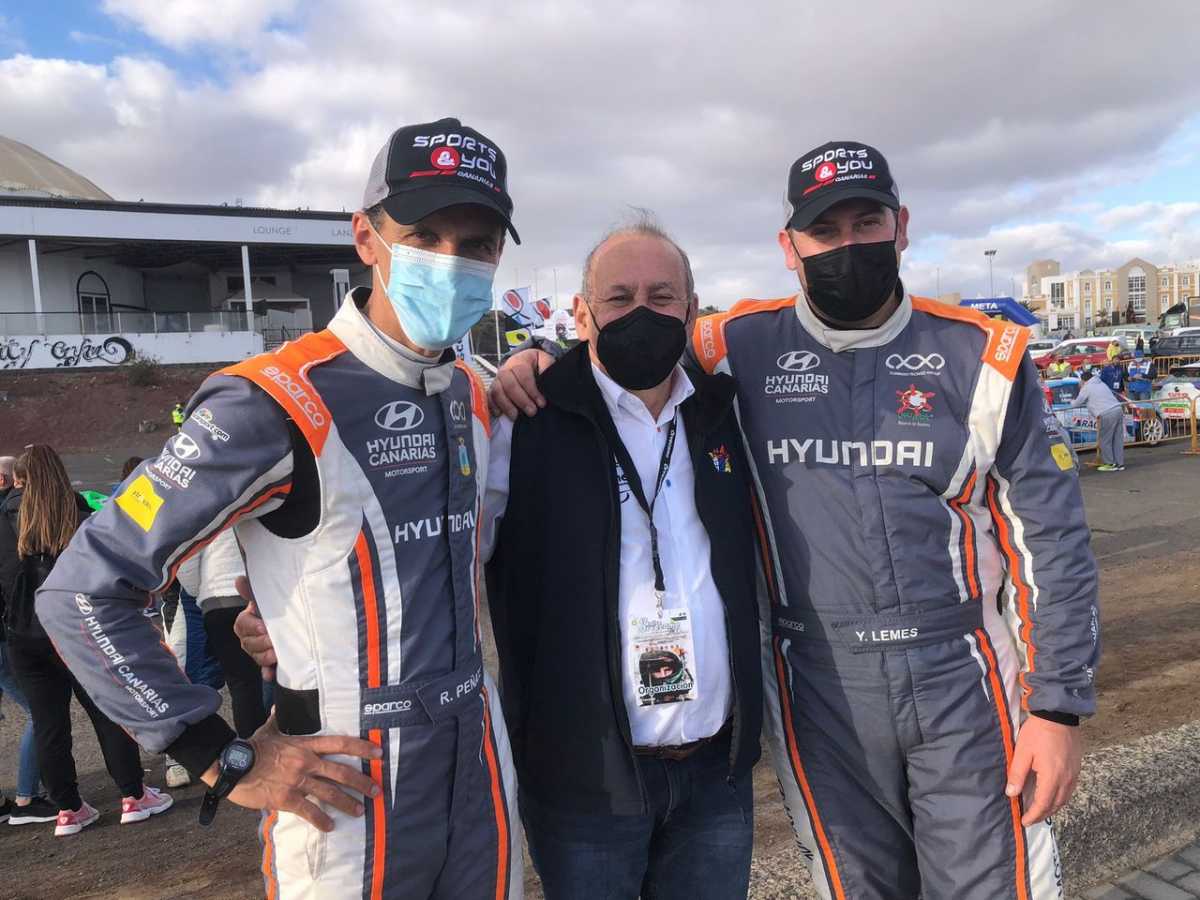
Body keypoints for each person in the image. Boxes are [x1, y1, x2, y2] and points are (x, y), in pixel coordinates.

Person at [492, 141, 1100, 899]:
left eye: (867, 222)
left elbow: (1052, 540)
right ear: (790, 247)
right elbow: (625, 349)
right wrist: (535, 359)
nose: (847, 245)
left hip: (962, 677)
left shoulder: (985, 354)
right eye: (824, 230)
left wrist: (1057, 707)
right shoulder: (735, 345)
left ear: (902, 226)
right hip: (815, 682)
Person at [37, 118, 522, 899]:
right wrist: (217, 754)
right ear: (366, 238)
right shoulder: (269, 398)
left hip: (478, 761)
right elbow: (81, 589)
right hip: (344, 780)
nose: (451, 260)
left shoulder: (473, 391)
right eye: (424, 236)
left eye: (476, 244)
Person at [489, 217, 762, 899]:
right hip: (585, 784)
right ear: (582, 315)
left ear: (691, 310)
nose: (642, 312)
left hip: (714, 773)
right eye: (619, 298)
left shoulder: (721, 412)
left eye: (661, 296)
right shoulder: (524, 419)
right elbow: (439, 550)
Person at [1, 447, 173, 835]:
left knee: (48, 723)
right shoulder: (76, 515)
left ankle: (68, 809)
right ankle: (133, 796)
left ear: (20, 480)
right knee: (105, 709)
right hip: (72, 627)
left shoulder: (5, 520)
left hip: (23, 634)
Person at [178, 530, 268, 739]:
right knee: (279, 678)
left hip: (217, 596)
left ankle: (254, 748)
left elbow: (187, 559)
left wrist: (198, 589)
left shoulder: (198, 508)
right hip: (265, 591)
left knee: (242, 686)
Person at [1073, 369, 1126, 471]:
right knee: (1117, 439)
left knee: (1105, 440)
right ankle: (1120, 464)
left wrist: (1072, 401)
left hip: (1106, 413)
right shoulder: (1101, 383)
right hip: (1117, 409)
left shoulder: (1087, 387)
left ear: (1083, 380)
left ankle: (1110, 463)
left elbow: (1076, 403)